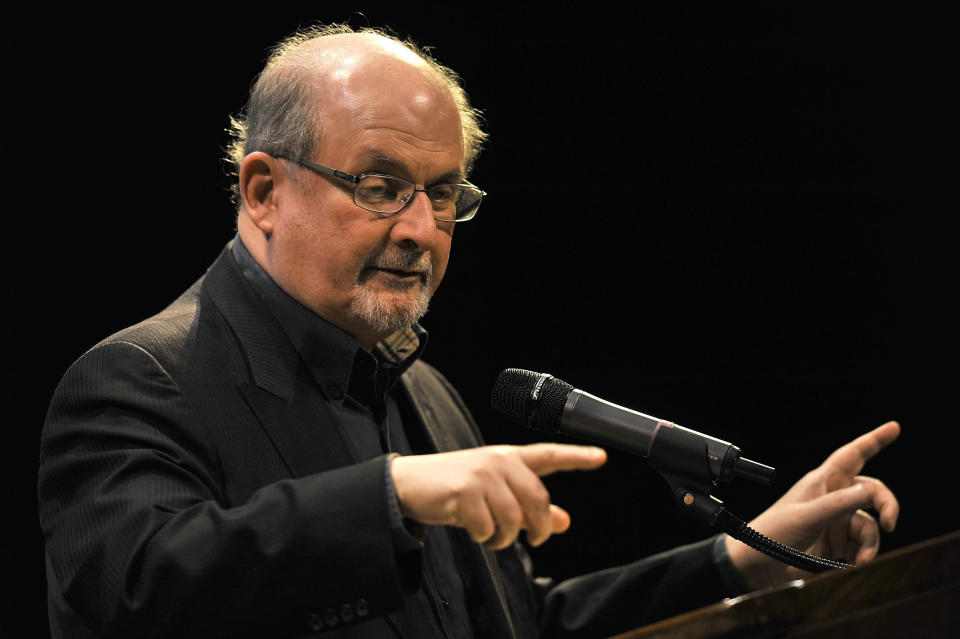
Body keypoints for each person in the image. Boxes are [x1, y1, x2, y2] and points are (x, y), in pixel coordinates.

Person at [37, 23, 901, 639]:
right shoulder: (140, 377)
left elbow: (517, 621)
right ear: (264, 190)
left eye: (443, 193)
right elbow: (135, 591)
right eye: (379, 185)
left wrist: (738, 561)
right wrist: (394, 494)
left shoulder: (423, 392)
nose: (421, 229)